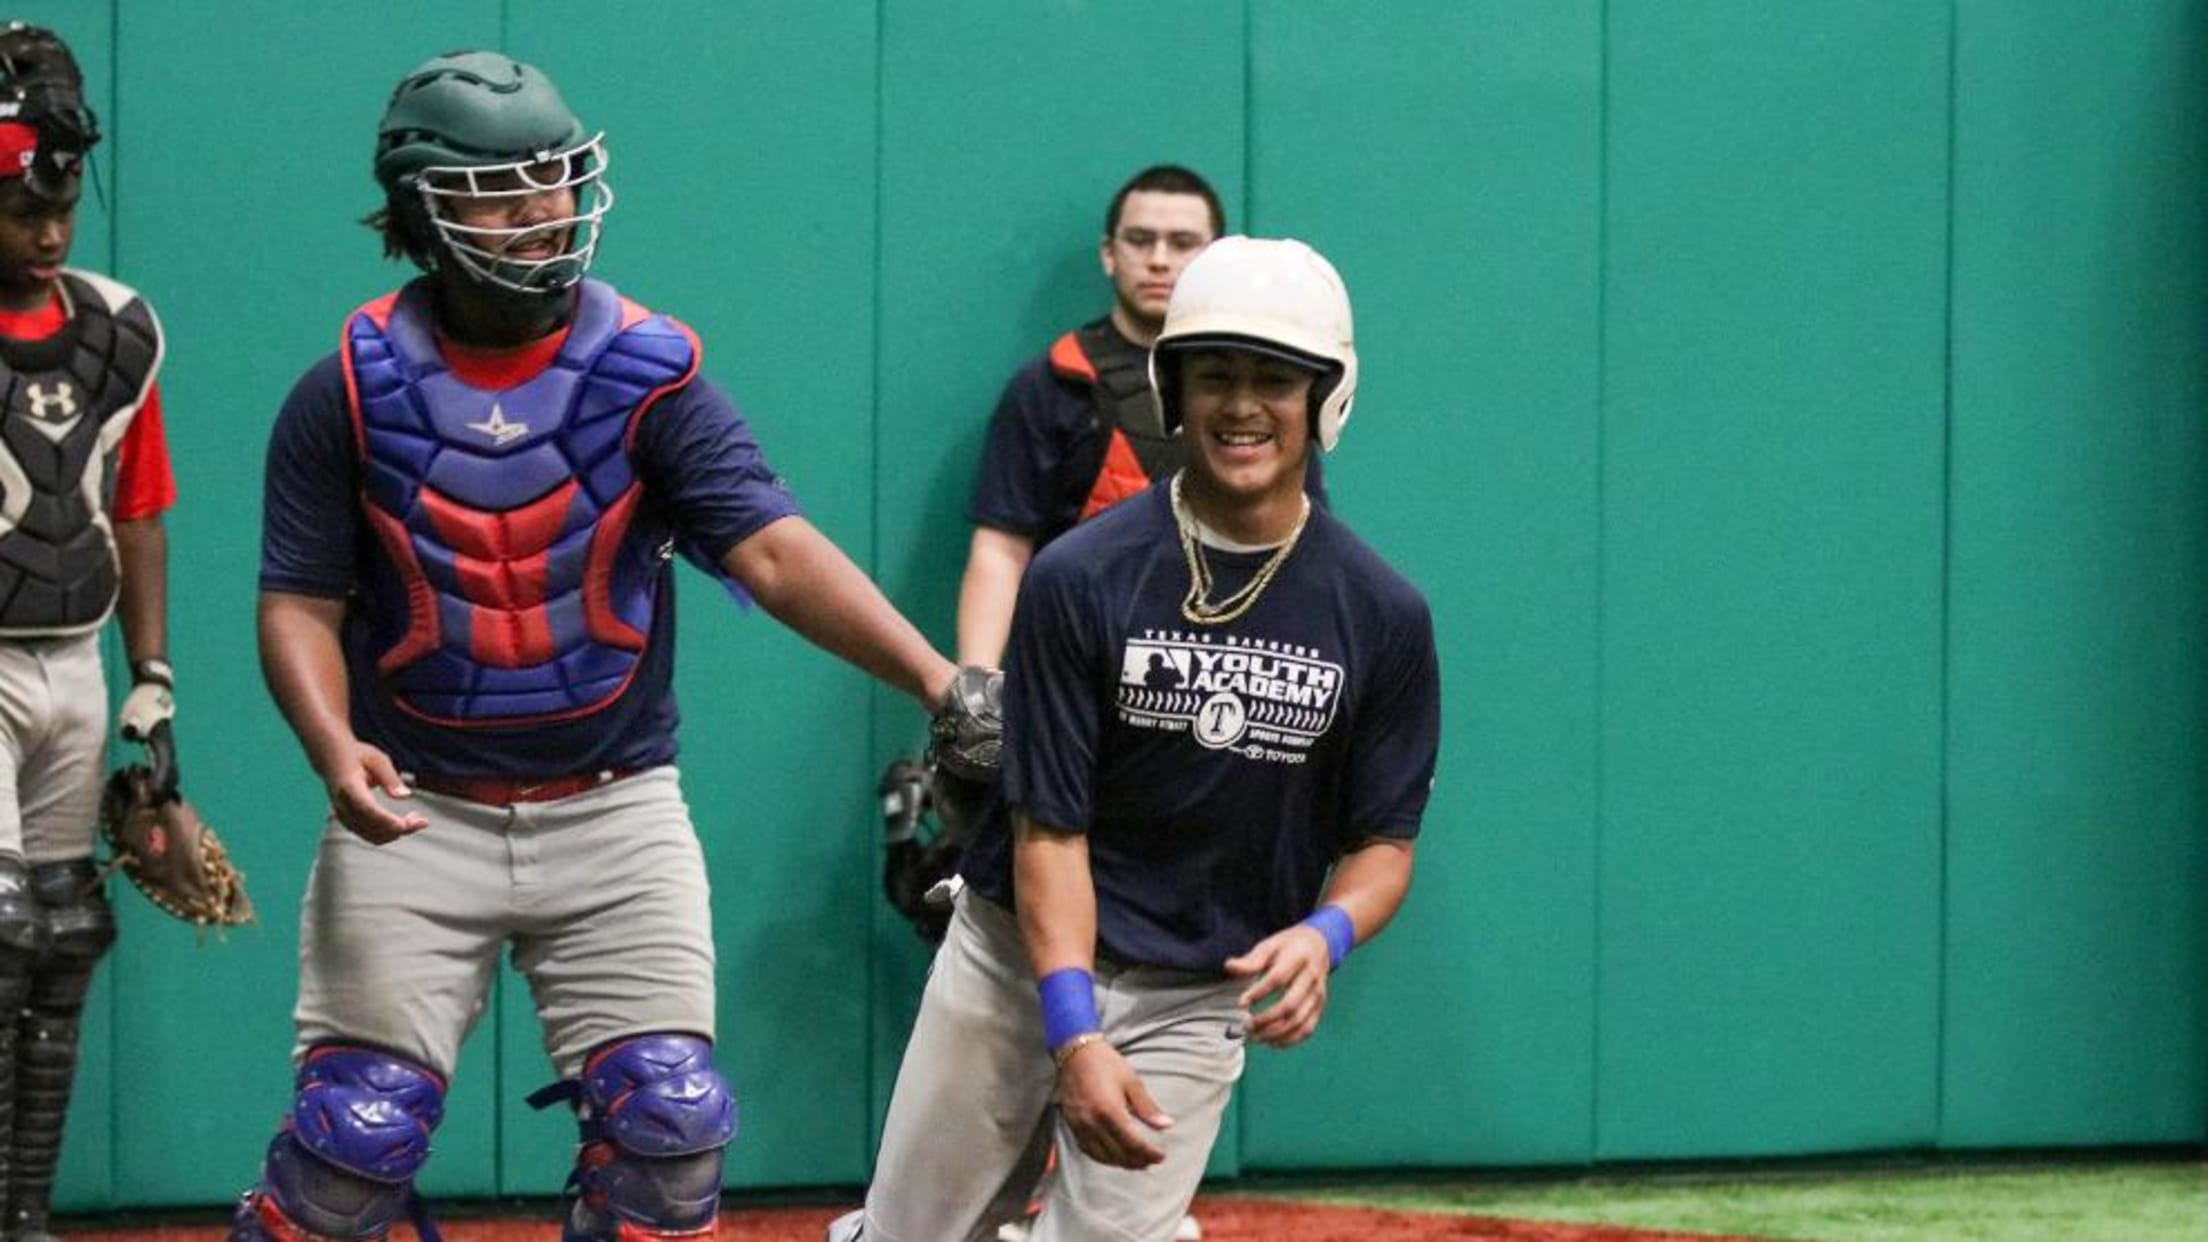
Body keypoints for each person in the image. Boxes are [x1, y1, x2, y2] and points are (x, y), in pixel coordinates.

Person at [232, 51, 977, 1242]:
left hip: (614, 806)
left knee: (669, 1132)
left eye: (559, 180)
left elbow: (774, 551)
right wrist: (332, 748)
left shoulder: (646, 374)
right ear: (428, 207)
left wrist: (943, 683)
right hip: (413, 807)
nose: (547, 212)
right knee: (348, 1147)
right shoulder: (349, 391)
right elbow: (296, 605)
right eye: (507, 189)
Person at [835, 236, 1442, 1242]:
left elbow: (1383, 845)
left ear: (1325, 396)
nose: (1242, 405)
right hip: (1014, 959)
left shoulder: (1381, 614)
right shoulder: (1082, 577)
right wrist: (1071, 1030)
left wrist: (1323, 934)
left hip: (1197, 990)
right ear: (1173, 392)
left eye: (1272, 379)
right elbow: (1048, 835)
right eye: (1214, 376)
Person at [0, 24, 177, 1242]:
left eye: (60, 197)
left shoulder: (118, 330)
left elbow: (140, 509)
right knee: (2, 931)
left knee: (66, 934)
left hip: (77, 652)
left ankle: (24, 1216)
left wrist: (152, 682)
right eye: (22, 201)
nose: (49, 226)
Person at [953, 164, 1326, 670]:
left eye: (1181, 242)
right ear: (1110, 254)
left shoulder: (1274, 397)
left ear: (1214, 256)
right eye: (1140, 240)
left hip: (1230, 667)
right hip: (1081, 663)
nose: (1158, 260)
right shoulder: (1055, 382)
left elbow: (1303, 542)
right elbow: (1001, 548)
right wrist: (977, 691)